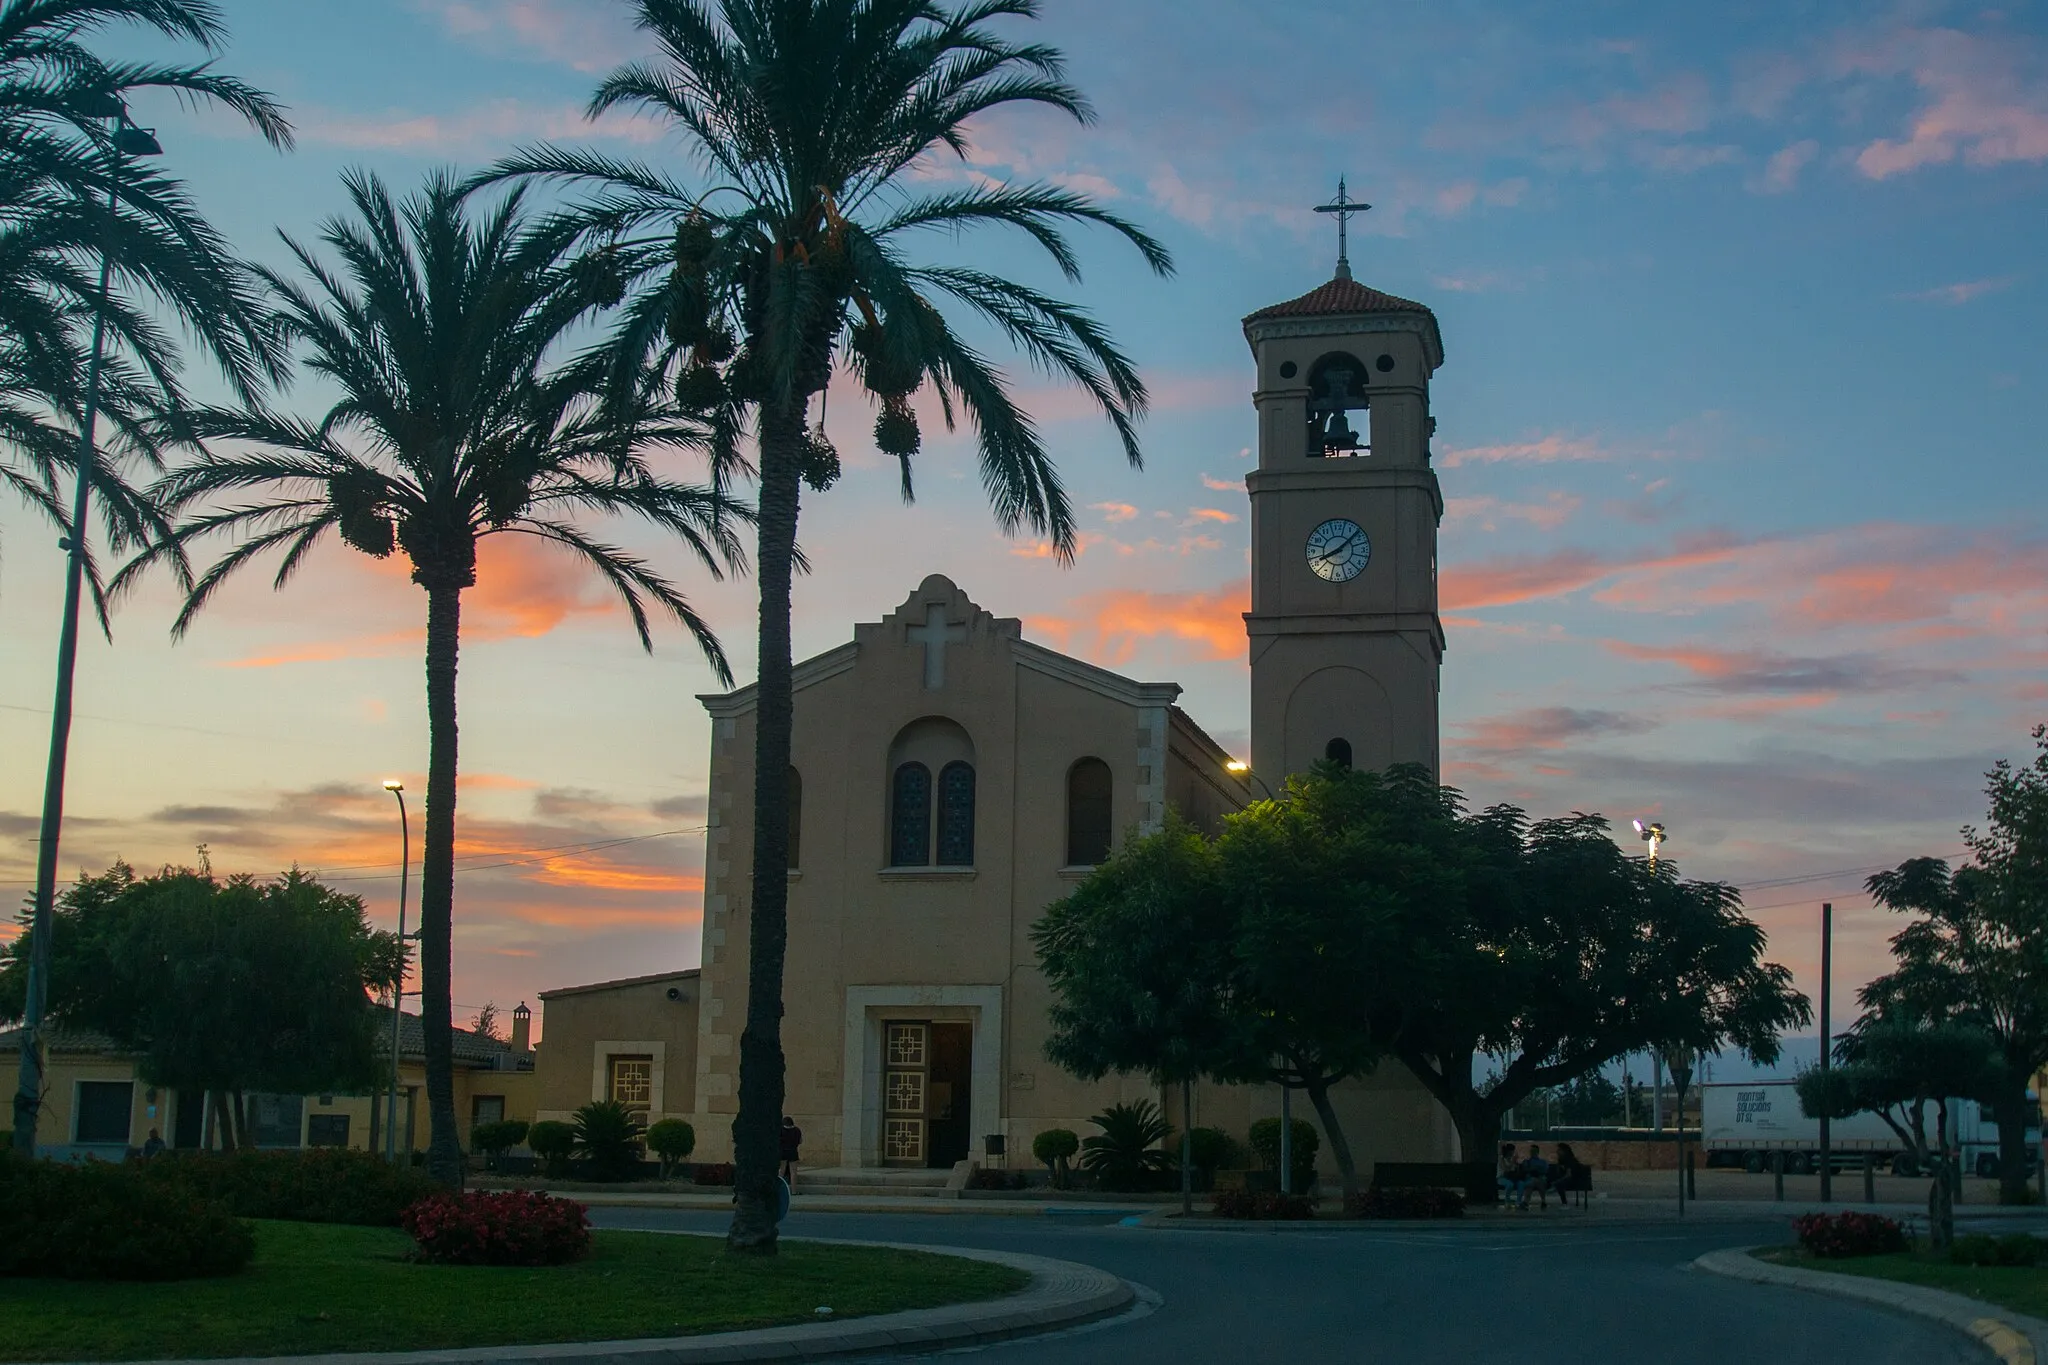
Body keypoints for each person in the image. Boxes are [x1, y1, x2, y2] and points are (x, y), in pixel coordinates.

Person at [1521, 1143, 1553, 1209]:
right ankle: (1543, 1201)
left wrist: (1537, 1169)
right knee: (1532, 1182)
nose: (1532, 1153)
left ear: (1537, 1152)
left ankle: (1526, 1202)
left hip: (1540, 1178)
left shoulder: (1543, 1162)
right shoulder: (1527, 1161)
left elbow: (1546, 1171)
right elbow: (1524, 1170)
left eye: (1534, 1151)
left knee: (1539, 1181)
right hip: (1531, 1178)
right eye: (1531, 1151)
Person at [780, 1115, 803, 1184]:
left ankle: (779, 1189)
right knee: (793, 1172)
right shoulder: (797, 1130)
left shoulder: (781, 1130)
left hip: (783, 1152)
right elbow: (800, 1141)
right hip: (793, 1151)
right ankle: (794, 1191)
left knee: (781, 1171)